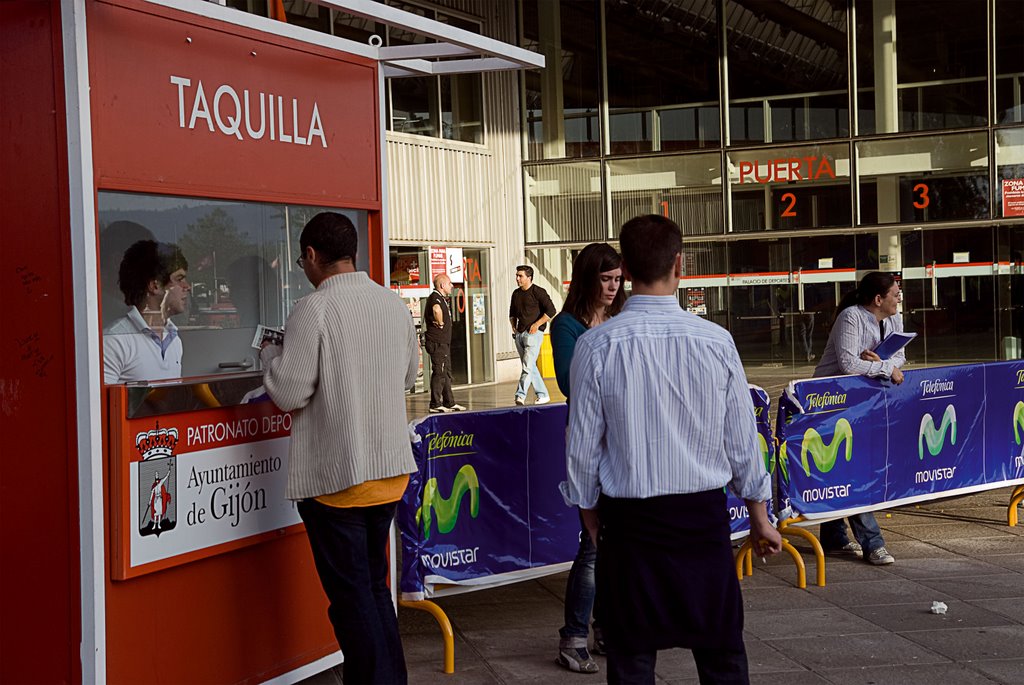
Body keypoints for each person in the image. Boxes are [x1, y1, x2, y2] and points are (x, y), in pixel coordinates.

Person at [563, 215, 782, 685]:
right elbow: (743, 440)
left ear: (625, 267)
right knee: (722, 656)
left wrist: (589, 512)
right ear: (679, 265)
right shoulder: (716, 342)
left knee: (631, 661)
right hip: (701, 524)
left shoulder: (597, 346)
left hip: (629, 525)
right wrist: (760, 514)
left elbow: (580, 447)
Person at [260, 212, 418, 685]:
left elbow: (288, 392)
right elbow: (408, 378)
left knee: (352, 602)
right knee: (373, 589)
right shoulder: (393, 305)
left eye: (300, 260)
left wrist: (269, 356)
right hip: (390, 473)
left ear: (311, 256)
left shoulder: (314, 308)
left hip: (338, 480)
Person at [549, 243, 625, 674]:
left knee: (614, 540)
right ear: (586, 279)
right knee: (593, 544)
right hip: (589, 441)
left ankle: (604, 627)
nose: (613, 287)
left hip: (624, 439)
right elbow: (568, 380)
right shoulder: (568, 325)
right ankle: (574, 636)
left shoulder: (621, 317)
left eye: (618, 279)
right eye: (606, 279)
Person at [813, 271, 906, 566]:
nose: (899, 298)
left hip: (860, 401)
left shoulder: (893, 319)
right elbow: (849, 363)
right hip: (829, 402)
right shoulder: (851, 317)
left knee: (842, 467)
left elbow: (900, 356)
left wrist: (882, 363)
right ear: (879, 299)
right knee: (850, 469)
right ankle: (873, 542)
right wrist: (884, 369)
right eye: (895, 294)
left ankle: (833, 535)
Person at [103, 240, 190, 384]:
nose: (187, 286)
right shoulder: (114, 341)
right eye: (179, 279)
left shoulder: (174, 340)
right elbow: (101, 405)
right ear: (155, 286)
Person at [509, 264, 557, 406]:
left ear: (529, 277)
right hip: (519, 334)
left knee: (527, 367)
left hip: (534, 335)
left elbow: (551, 310)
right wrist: (513, 326)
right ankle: (543, 395)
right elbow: (512, 312)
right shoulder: (516, 294)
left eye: (520, 276)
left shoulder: (538, 292)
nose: (517, 278)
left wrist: (537, 325)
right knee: (530, 366)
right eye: (517, 275)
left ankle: (520, 395)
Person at [424, 273, 465, 413]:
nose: (452, 286)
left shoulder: (441, 298)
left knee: (446, 373)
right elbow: (436, 309)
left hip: (443, 343)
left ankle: (449, 402)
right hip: (437, 342)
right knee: (439, 372)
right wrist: (440, 322)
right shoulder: (435, 298)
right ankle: (435, 404)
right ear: (442, 285)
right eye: (449, 283)